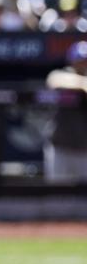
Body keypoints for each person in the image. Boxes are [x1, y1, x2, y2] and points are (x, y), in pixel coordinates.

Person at [43, 41, 87, 182]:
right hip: (61, 148)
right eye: (79, 61)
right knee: (58, 197)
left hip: (85, 151)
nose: (82, 65)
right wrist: (82, 84)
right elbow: (53, 80)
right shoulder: (63, 74)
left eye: (85, 62)